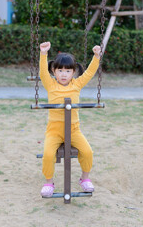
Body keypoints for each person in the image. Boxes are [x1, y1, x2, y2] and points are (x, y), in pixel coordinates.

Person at [40, 42, 101, 197]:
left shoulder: (77, 84)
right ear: (54, 71)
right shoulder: (50, 85)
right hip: (54, 130)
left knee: (87, 151)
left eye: (68, 71)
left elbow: (89, 73)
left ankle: (84, 178)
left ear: (73, 72)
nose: (63, 74)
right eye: (60, 70)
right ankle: (49, 182)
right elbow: (42, 73)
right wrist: (43, 54)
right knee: (48, 154)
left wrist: (96, 56)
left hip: (74, 129)